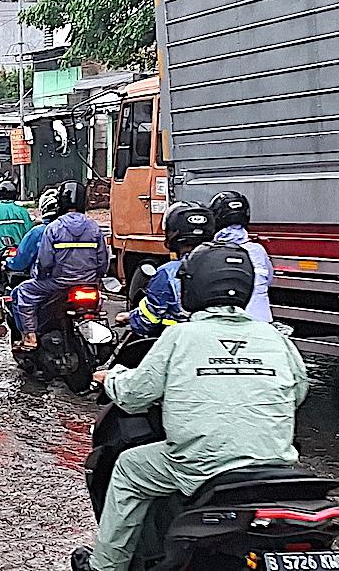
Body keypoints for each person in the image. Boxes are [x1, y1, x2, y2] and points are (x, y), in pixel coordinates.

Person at [73, 242, 309, 571]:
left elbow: (136, 394)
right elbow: (298, 392)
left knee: (128, 468)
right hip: (275, 466)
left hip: (200, 466)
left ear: (192, 286)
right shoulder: (275, 337)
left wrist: (110, 378)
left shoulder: (180, 336)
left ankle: (105, 566)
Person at [12, 181, 109, 350]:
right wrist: (97, 278)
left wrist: (39, 276)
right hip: (89, 284)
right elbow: (103, 261)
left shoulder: (53, 228)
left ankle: (30, 336)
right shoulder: (94, 228)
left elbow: (45, 261)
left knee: (23, 292)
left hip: (59, 284)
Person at [121, 202, 216, 338]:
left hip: (180, 343)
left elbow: (148, 321)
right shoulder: (227, 265)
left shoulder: (168, 273)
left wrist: (131, 318)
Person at [209, 191, 274, 323]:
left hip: (229, 324)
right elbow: (269, 280)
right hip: (263, 323)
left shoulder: (210, 252)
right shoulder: (258, 250)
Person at [6, 188, 60, 275]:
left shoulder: (38, 232)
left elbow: (21, 262)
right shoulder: (82, 229)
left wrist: (8, 262)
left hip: (49, 280)